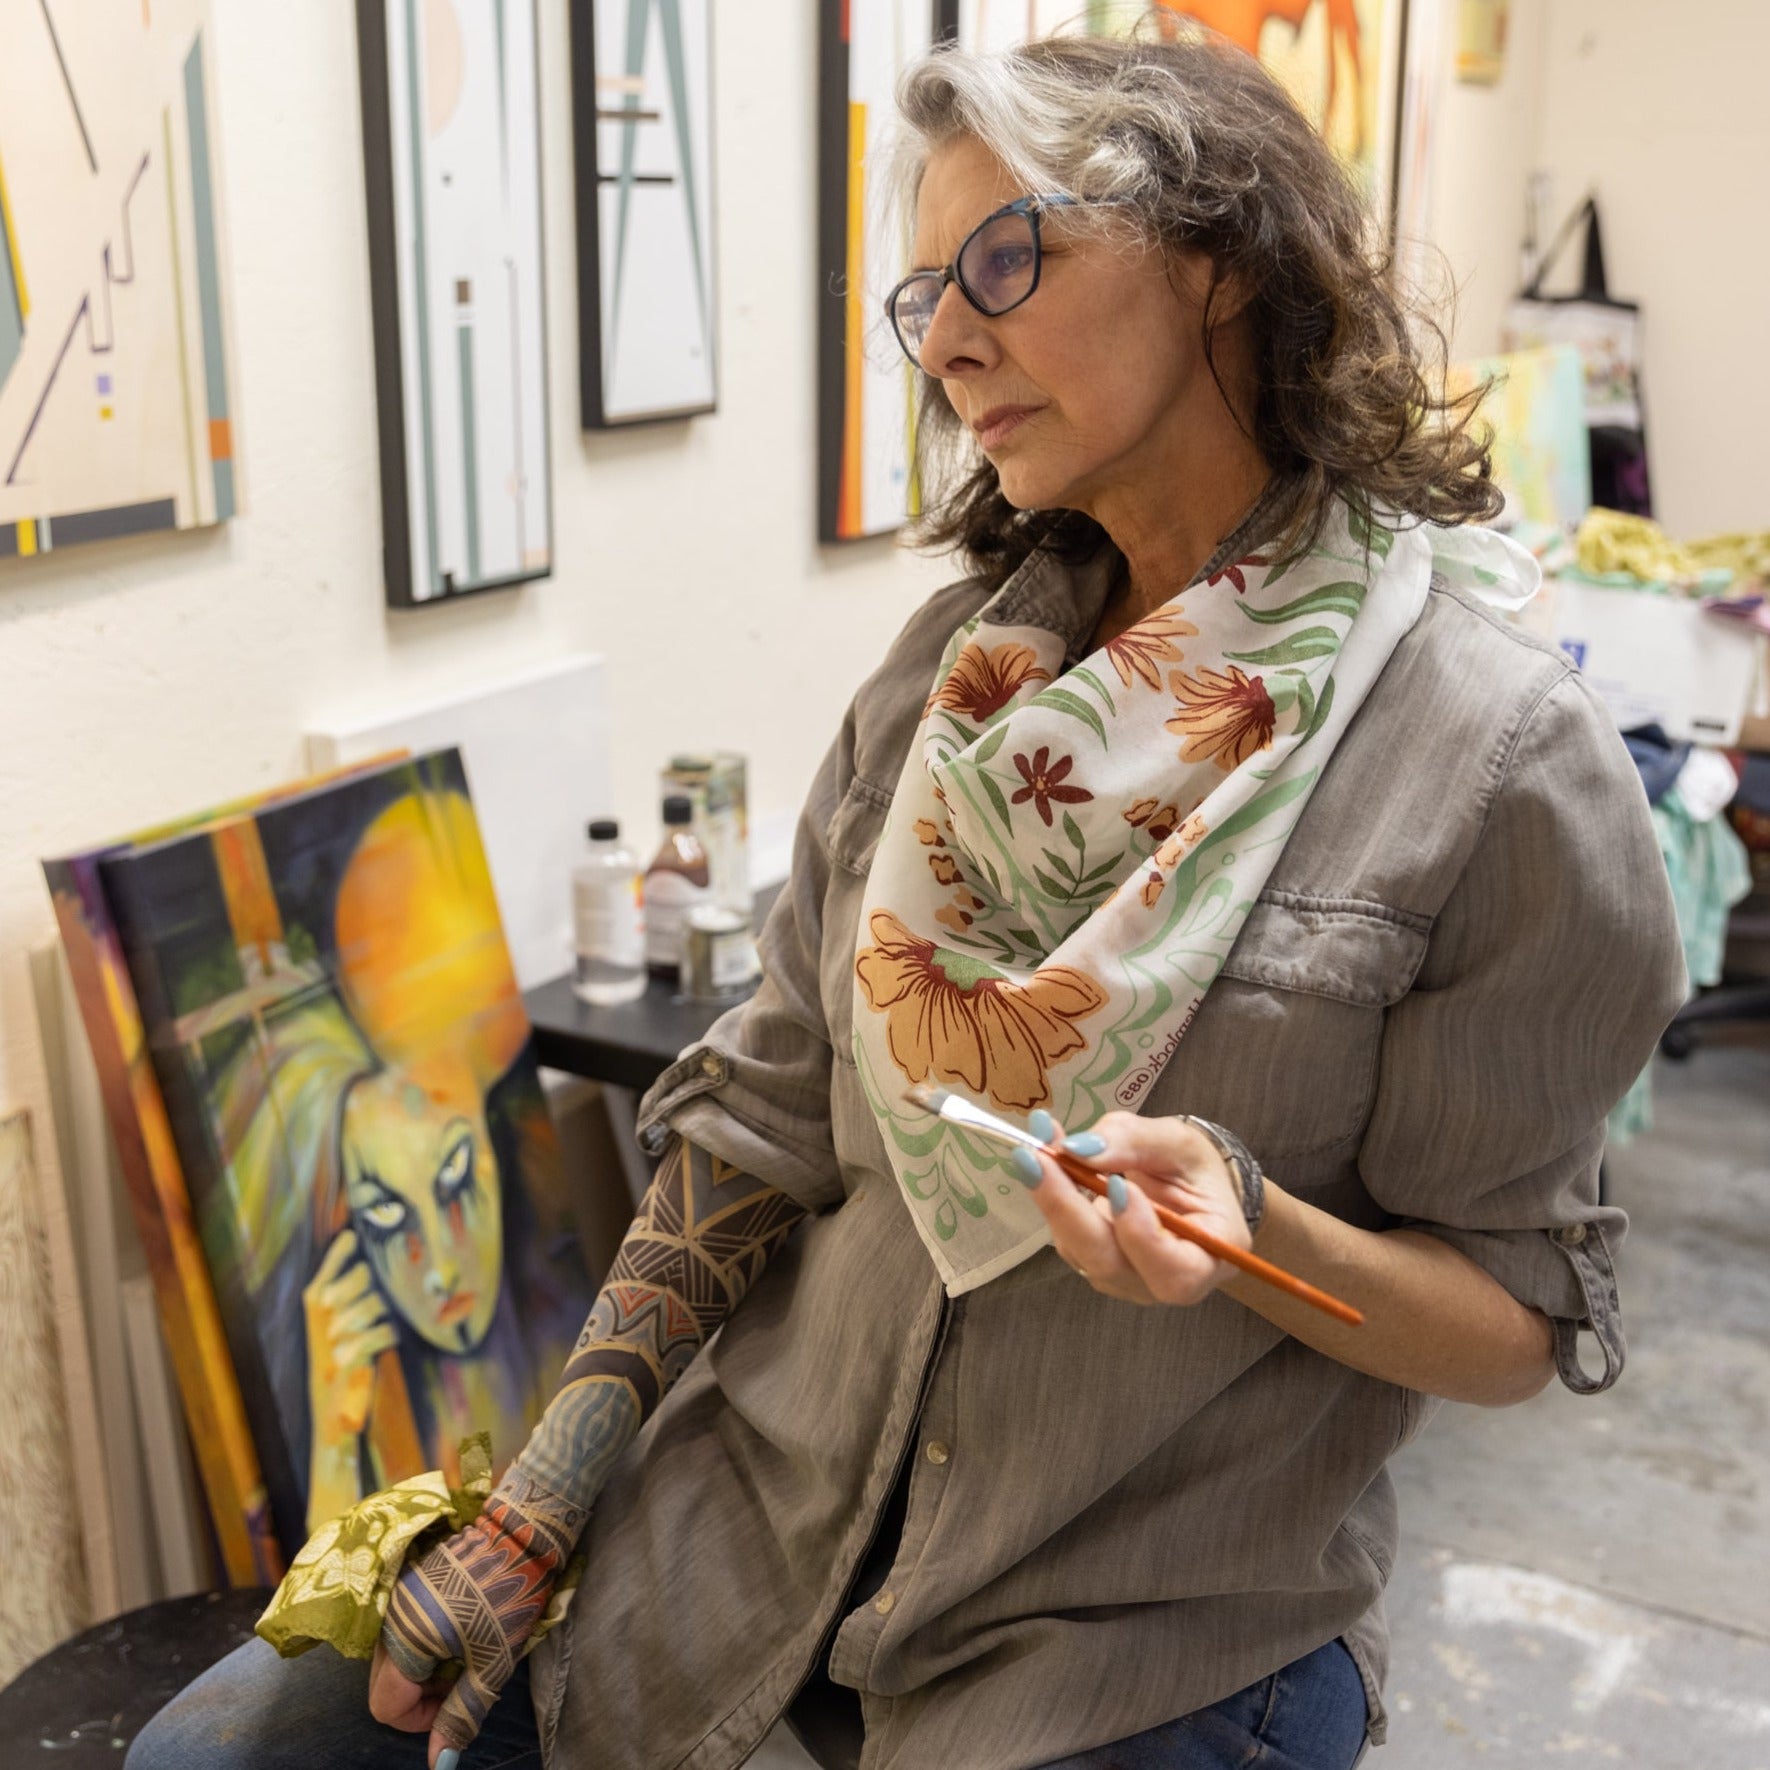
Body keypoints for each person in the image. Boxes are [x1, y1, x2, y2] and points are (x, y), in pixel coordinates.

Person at [127, 23, 1685, 1770]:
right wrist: (537, 1501)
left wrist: (1253, 1231)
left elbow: (1504, 1322)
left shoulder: (1491, 757)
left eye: (1003, 260)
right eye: (923, 294)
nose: (945, 339)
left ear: (1218, 262)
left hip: (1132, 1637)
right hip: (742, 1539)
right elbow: (767, 1107)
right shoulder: (958, 676)